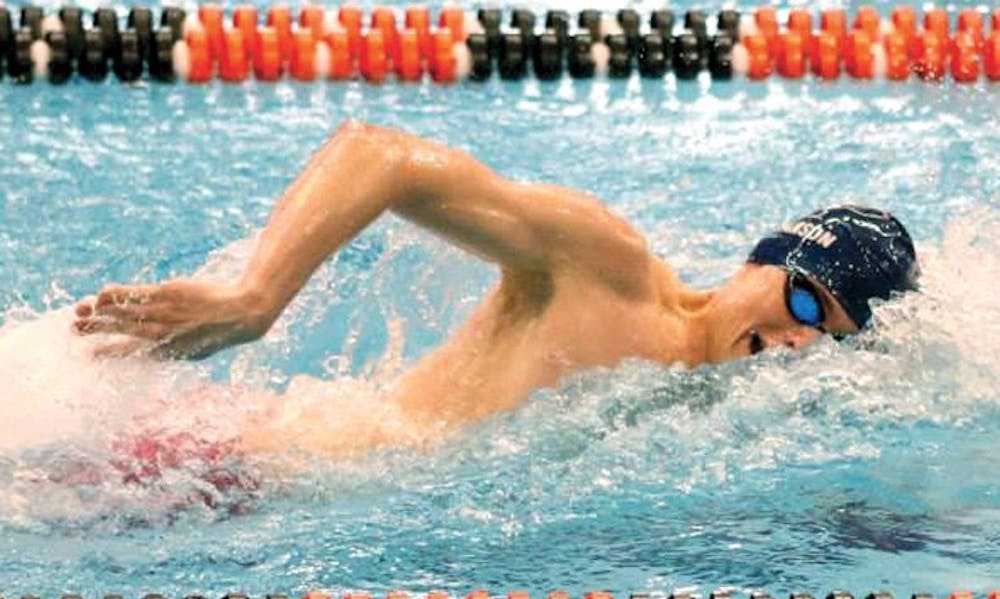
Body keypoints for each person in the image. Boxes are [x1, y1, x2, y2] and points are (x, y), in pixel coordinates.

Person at [73, 122, 919, 452]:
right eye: (806, 301)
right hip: (233, 461)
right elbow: (382, 154)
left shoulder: (730, 416)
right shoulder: (611, 269)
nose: (800, 340)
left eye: (831, 337)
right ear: (760, 263)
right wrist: (253, 301)